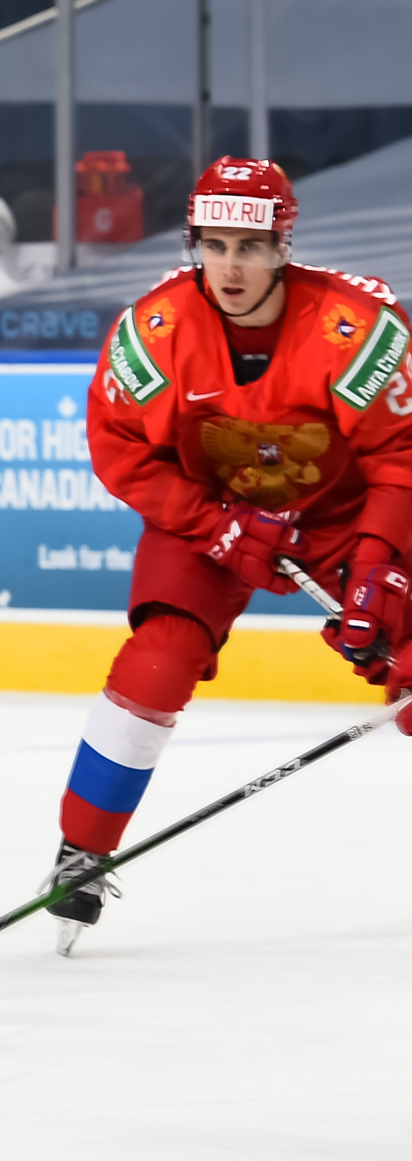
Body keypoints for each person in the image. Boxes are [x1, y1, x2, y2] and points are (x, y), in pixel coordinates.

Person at [44, 157, 412, 956]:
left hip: (345, 521)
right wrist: (212, 524)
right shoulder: (158, 332)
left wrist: (382, 563)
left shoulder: (354, 327)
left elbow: (399, 457)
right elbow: (118, 451)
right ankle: (83, 847)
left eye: (249, 247)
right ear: (194, 245)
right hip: (208, 517)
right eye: (213, 245)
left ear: (284, 247)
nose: (231, 266)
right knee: (157, 660)